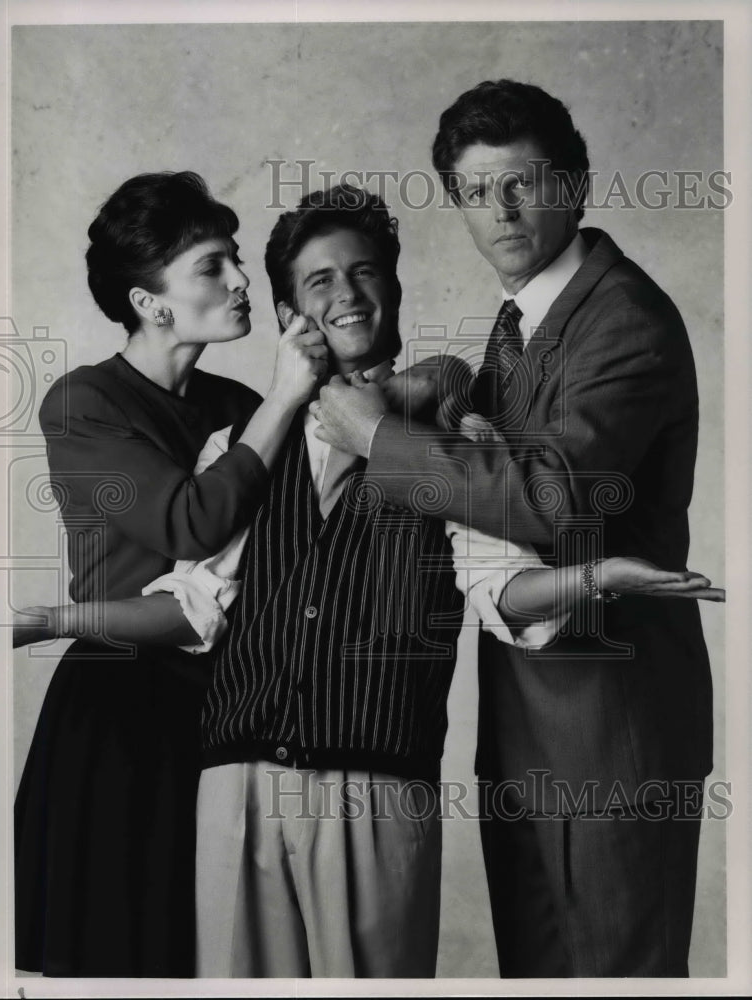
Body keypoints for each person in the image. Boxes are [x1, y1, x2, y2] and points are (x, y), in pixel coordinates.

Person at [16, 183, 721, 979]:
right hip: (231, 784)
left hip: (378, 787)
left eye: (364, 273)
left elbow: (499, 587)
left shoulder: (450, 436)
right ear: (290, 314)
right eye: (318, 281)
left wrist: (593, 577)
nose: (346, 294)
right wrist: (46, 619)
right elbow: (195, 600)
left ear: (394, 288)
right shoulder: (244, 437)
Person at [313, 82, 716, 977]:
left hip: (609, 744)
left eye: (520, 184)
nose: (499, 211)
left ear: (573, 184)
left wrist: (379, 438)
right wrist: (443, 386)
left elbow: (548, 498)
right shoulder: (523, 322)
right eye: (473, 191)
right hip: (525, 740)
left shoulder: (624, 319)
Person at [13, 171, 328, 977]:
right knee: (121, 956)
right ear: (149, 303)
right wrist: (284, 400)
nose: (241, 279)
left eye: (235, 259)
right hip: (120, 709)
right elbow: (188, 523)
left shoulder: (240, 405)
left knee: (217, 957)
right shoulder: (85, 403)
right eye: (212, 266)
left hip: (227, 708)